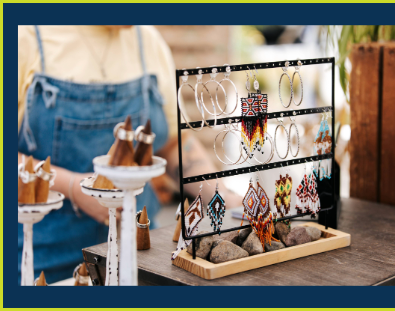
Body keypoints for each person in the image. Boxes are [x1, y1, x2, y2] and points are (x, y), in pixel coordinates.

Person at [18, 25, 242, 284]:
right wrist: (75, 188)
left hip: (139, 253)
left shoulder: (148, 41)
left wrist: (220, 194)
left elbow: (172, 143)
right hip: (47, 255)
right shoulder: (27, 37)